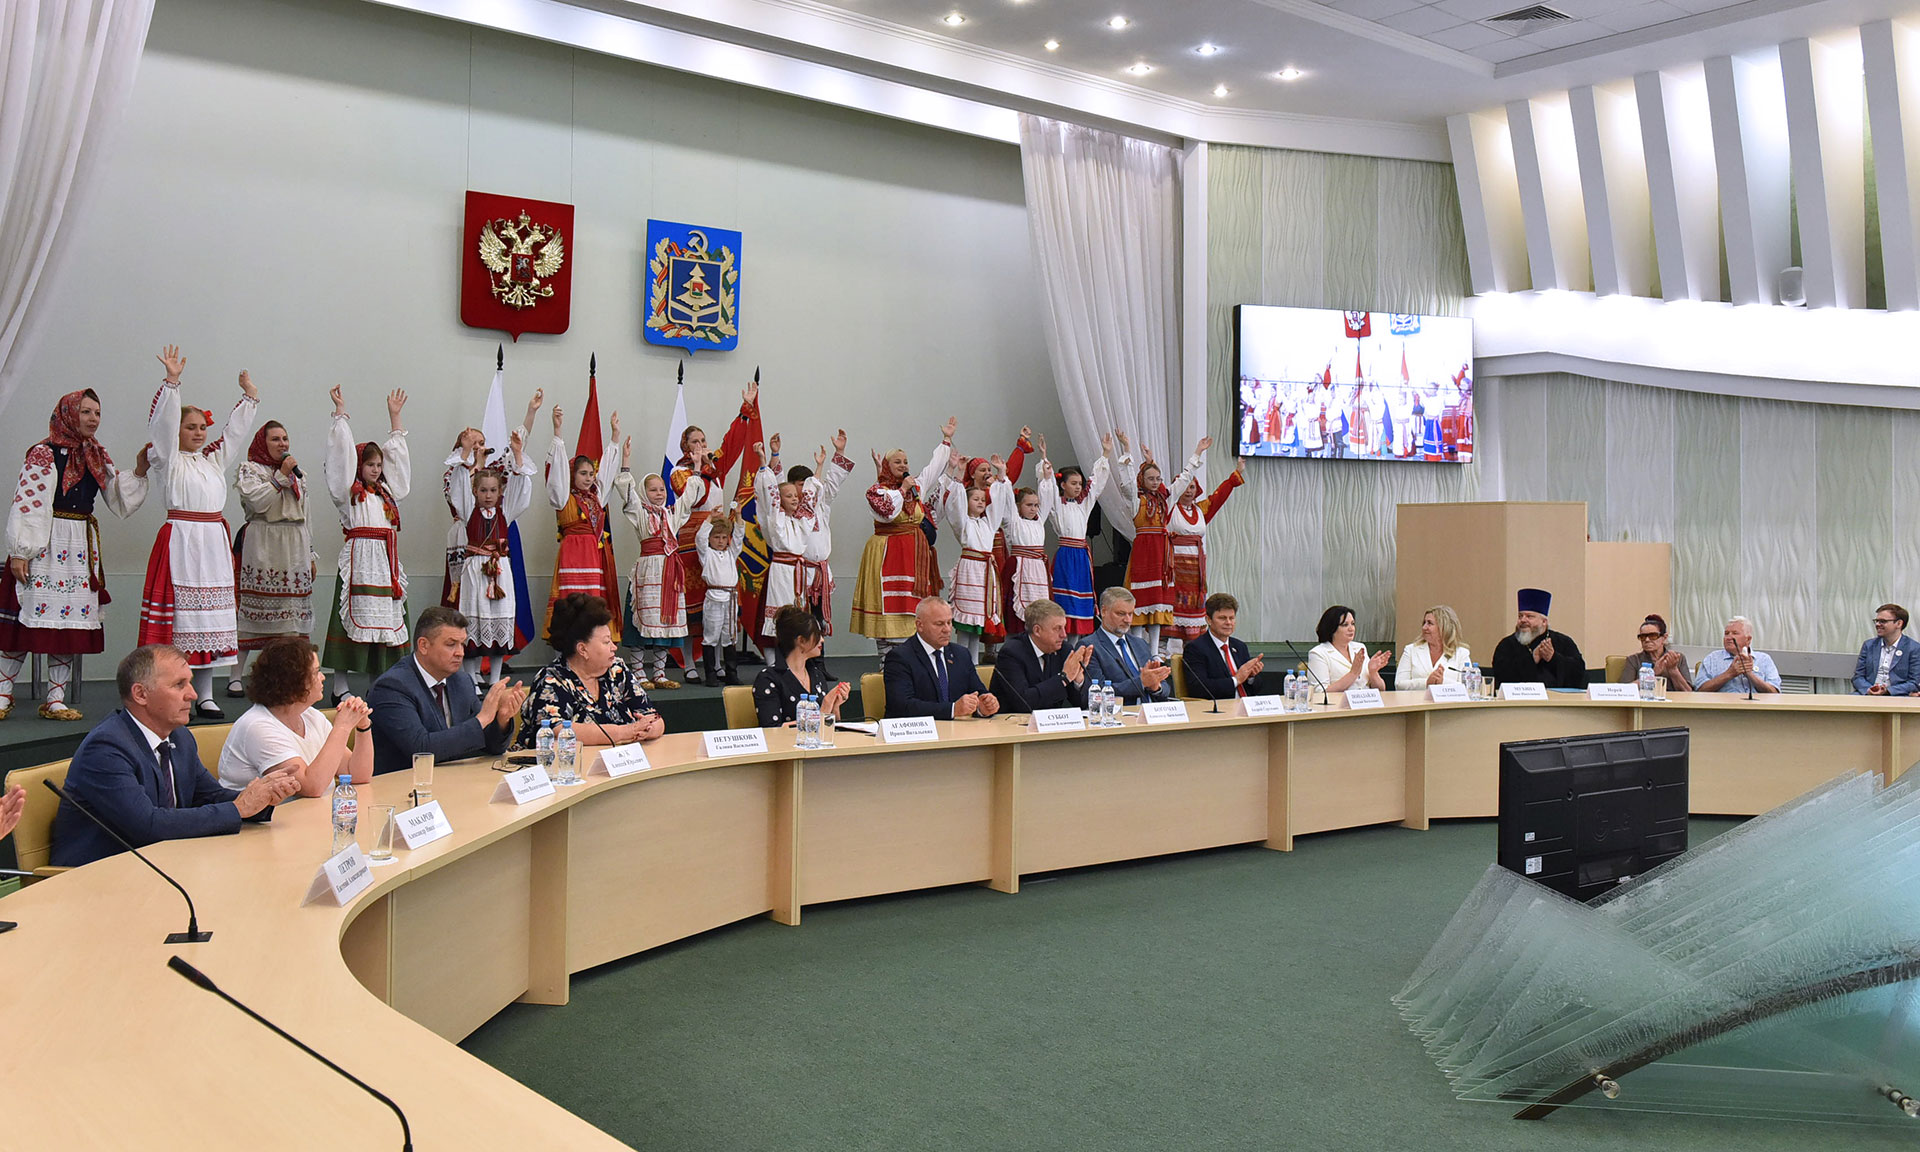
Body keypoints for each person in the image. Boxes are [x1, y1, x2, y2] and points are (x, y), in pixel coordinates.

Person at [50, 645, 300, 868]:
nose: (193, 694)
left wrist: (261, 800)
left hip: (162, 867)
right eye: (179, 685)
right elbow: (147, 825)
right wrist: (238, 809)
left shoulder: (180, 737)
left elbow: (209, 796)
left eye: (190, 683)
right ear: (140, 694)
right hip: (96, 879)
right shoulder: (106, 748)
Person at [0, 386, 149, 720]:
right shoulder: (44, 453)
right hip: (44, 540)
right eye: (85, 412)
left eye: (97, 413)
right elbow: (28, 502)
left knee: (68, 623)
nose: (93, 419)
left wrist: (139, 470)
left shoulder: (95, 454)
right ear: (68, 414)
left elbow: (118, 498)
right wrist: (21, 551)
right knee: (24, 618)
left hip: (78, 545)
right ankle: (3, 694)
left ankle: (55, 699)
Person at [137, 347, 259, 719]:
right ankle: (176, 695)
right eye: (190, 427)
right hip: (182, 543)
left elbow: (233, 436)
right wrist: (172, 383)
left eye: (202, 427)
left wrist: (249, 398)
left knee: (210, 621)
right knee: (184, 622)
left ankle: (204, 694)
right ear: (177, 431)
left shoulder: (212, 461)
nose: (198, 433)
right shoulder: (169, 461)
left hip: (212, 546)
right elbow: (161, 428)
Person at [439, 387, 543, 679]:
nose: (479, 447)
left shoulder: (497, 481)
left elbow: (516, 462)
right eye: (473, 443)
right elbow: (459, 489)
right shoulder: (461, 480)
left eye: (482, 443)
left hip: (497, 566)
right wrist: (468, 458)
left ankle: (494, 677)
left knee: (499, 616)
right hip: (468, 554)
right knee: (468, 613)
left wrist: (531, 413)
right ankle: (468, 677)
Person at [322, 384, 412, 699]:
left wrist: (395, 419)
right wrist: (340, 414)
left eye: (378, 465)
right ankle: (340, 687)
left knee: (384, 622)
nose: (375, 469)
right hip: (359, 560)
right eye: (370, 464)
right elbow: (340, 459)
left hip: (385, 561)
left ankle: (378, 685)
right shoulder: (349, 494)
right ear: (358, 466)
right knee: (349, 619)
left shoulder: (387, 493)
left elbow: (399, 467)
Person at [670, 377, 762, 680]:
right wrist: (700, 468)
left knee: (721, 606)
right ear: (685, 446)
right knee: (693, 605)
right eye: (694, 442)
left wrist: (745, 409)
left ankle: (720, 663)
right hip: (693, 540)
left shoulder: (714, 468)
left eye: (703, 441)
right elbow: (693, 496)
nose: (700, 446)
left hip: (719, 536)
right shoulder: (680, 471)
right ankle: (689, 664)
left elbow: (731, 445)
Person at [368, 605, 526, 776]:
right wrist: (482, 719)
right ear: (423, 645)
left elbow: (488, 745)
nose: (460, 653)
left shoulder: (462, 681)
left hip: (455, 781)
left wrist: (501, 719)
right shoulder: (392, 687)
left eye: (462, 644)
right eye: (451, 645)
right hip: (403, 784)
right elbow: (421, 750)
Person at [217, 636, 372, 796]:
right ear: (293, 682)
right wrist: (343, 727)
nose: (323, 677)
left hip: (311, 811)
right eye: (316, 672)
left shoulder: (311, 716)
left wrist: (363, 726)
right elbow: (311, 787)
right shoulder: (257, 726)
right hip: (266, 813)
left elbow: (357, 775)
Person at [851, 418, 955, 656]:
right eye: (897, 461)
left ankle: (910, 656)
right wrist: (903, 489)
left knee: (912, 604)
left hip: (913, 555)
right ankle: (886, 658)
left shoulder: (916, 487)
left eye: (905, 461)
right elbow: (888, 512)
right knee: (889, 604)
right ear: (886, 466)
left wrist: (946, 440)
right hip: (888, 553)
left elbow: (933, 468)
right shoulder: (877, 491)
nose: (903, 465)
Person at [230, 418, 316, 697]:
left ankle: (293, 677)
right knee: (252, 614)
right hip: (264, 540)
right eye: (275, 439)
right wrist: (279, 477)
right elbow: (258, 502)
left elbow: (306, 515)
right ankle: (235, 677)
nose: (282, 444)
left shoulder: (298, 475)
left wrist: (310, 553)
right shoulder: (250, 470)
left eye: (285, 438)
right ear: (262, 442)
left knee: (291, 617)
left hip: (294, 543)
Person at [516, 593, 665, 748]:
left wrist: (649, 730)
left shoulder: (617, 669)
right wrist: (625, 732)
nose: (614, 647)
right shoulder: (551, 679)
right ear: (582, 649)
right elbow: (557, 730)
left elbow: (653, 717)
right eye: (606, 642)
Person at [1117, 435, 1206, 656]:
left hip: (1162, 553)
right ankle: (1138, 649)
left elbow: (1185, 478)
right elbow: (1127, 483)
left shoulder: (1166, 499)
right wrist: (1127, 450)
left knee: (1158, 601)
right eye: (1151, 478)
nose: (1156, 482)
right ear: (1142, 480)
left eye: (1158, 478)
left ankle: (1154, 650)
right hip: (1143, 552)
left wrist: (1197, 452)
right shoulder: (1136, 500)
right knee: (1140, 601)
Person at [615, 442, 693, 690]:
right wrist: (626, 461)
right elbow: (627, 494)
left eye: (661, 489)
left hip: (669, 573)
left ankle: (659, 674)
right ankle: (638, 673)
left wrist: (698, 467)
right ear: (644, 492)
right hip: (648, 572)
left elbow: (689, 498)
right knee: (641, 622)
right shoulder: (640, 513)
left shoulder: (671, 514)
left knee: (666, 623)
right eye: (653, 489)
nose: (659, 493)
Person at [544, 403, 623, 643]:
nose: (588, 479)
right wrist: (557, 432)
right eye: (582, 474)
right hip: (573, 553)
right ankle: (568, 645)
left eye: (590, 474)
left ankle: (592, 644)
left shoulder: (597, 498)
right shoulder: (563, 498)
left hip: (592, 554)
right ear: (572, 475)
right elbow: (557, 474)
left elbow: (607, 473)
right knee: (571, 599)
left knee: (592, 600)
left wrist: (615, 438)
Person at [1037, 431, 1122, 636]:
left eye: (1079, 484)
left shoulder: (1084, 503)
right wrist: (1044, 459)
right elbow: (1047, 489)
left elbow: (1096, 483)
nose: (1078, 487)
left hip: (1081, 557)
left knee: (1081, 603)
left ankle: (1076, 644)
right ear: (1063, 485)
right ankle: (1061, 642)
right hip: (1066, 555)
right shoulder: (1057, 504)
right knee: (1065, 601)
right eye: (1073, 483)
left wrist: (1106, 454)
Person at [1164, 455, 1245, 653]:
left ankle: (1192, 653)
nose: (1188, 491)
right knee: (1172, 611)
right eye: (1185, 487)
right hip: (1174, 568)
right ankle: (1166, 655)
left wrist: (1236, 475)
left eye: (1192, 487)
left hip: (1196, 571)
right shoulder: (1168, 509)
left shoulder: (1200, 511)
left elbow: (1218, 497)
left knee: (1194, 616)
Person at [937, 451, 1011, 659]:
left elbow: (998, 503)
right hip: (970, 571)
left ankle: (974, 663)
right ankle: (962, 661)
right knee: (966, 623)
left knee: (978, 622)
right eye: (975, 499)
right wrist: (960, 473)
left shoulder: (988, 523)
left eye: (982, 500)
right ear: (966, 502)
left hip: (985, 574)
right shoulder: (964, 524)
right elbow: (955, 506)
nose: (980, 502)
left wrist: (1001, 472)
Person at [882, 596, 1000, 720]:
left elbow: (978, 693)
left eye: (949, 622)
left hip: (957, 730)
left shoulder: (961, 654)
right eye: (939, 624)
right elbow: (901, 706)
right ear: (920, 625)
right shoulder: (900, 657)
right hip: (918, 730)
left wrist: (984, 707)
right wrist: (952, 709)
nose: (947, 630)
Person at [792, 431, 855, 637]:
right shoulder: (789, 510)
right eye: (801, 484)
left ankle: (819, 656)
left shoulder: (822, 504)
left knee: (819, 620)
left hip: (820, 571)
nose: (806, 488)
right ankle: (800, 656)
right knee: (799, 621)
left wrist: (839, 452)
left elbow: (833, 483)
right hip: (800, 572)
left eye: (808, 483)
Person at [753, 604, 852, 727]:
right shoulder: (768, 679)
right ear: (801, 641)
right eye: (817, 635)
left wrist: (835, 706)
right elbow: (771, 729)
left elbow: (830, 727)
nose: (822, 640)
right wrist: (823, 711)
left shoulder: (816, 674)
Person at [989, 598, 1093, 712]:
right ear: (1037, 630)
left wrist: (1078, 679)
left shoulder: (1064, 650)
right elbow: (1023, 703)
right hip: (1014, 721)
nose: (1064, 635)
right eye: (1057, 628)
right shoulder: (1011, 653)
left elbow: (1083, 704)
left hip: (1053, 721)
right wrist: (1063, 678)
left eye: (1064, 627)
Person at [1082, 587, 1173, 705]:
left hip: (1151, 712)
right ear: (1104, 611)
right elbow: (1097, 690)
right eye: (1121, 614)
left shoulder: (1140, 644)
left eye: (1130, 614)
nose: (1128, 620)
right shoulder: (1090, 646)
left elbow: (1165, 687)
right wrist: (1142, 683)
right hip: (1120, 713)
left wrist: (1155, 686)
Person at [1488, 588, 1587, 689]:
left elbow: (1579, 674)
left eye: (1529, 616)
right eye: (1520, 616)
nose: (1523, 620)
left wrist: (1553, 658)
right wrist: (1532, 659)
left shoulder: (1564, 642)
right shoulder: (1507, 645)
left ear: (1544, 622)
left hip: (1557, 698)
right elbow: (1501, 675)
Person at [1182, 592, 1270, 701]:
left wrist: (1251, 677)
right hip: (1221, 708)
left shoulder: (1240, 646)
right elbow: (1198, 688)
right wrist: (1236, 680)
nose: (1228, 623)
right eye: (1222, 618)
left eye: (1231, 618)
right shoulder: (1196, 648)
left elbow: (1256, 689)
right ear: (1209, 620)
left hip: (1247, 705)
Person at [696, 509, 747, 685]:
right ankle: (710, 674)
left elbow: (739, 537)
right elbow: (700, 539)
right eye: (716, 537)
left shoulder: (731, 553)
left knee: (730, 636)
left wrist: (738, 516)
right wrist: (710, 518)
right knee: (711, 635)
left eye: (724, 538)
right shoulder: (706, 554)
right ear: (710, 538)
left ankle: (731, 673)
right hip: (714, 597)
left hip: (731, 598)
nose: (720, 541)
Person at [1694, 616, 1781, 694]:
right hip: (1724, 706)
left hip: (1757, 706)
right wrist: (1729, 673)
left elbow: (1774, 693)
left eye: (1735, 633)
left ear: (1748, 639)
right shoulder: (1712, 658)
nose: (1729, 637)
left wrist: (1749, 674)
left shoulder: (1764, 659)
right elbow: (1700, 690)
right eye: (1726, 633)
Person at [1395, 605, 1472, 689]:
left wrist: (1442, 682)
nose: (1424, 627)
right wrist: (1426, 683)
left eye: (1429, 623)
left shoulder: (1462, 654)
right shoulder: (1411, 650)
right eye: (1424, 623)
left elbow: (1468, 687)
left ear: (1444, 627)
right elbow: (1399, 684)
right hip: (1418, 697)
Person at [1615, 614, 1694, 691]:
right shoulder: (1634, 660)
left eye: (1653, 636)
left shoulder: (1677, 658)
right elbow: (1623, 689)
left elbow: (1688, 692)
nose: (1647, 640)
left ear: (1664, 638)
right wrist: (1652, 674)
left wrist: (1673, 670)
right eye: (1643, 637)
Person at [1855, 604, 1920, 696]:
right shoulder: (1869, 645)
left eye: (1883, 621)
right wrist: (1868, 690)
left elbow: (1914, 682)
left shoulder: (1913, 648)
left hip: (1897, 696)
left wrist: (1888, 691)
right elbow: (1858, 677)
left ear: (1899, 623)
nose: (1877, 624)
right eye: (1876, 621)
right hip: (1868, 694)